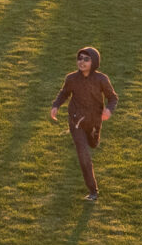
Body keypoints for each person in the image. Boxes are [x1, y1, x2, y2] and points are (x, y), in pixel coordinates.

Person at [48, 46, 118, 201]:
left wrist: (108, 110)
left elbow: (113, 98)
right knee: (83, 154)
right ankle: (93, 191)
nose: (82, 62)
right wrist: (55, 106)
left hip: (94, 121)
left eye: (86, 59)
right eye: (80, 58)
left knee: (93, 144)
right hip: (76, 121)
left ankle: (93, 138)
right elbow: (64, 93)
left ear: (94, 61)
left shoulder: (101, 79)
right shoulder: (71, 78)